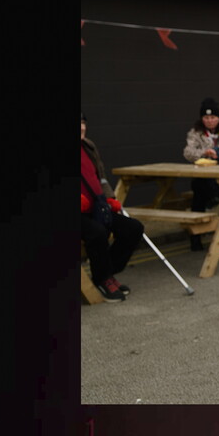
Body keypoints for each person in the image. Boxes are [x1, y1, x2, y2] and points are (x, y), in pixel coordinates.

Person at [81, 112, 144, 302]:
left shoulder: (88, 146)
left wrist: (109, 198)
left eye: (83, 122)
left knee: (133, 228)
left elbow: (100, 177)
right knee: (97, 233)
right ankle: (102, 278)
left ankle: (106, 273)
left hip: (96, 208)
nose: (82, 127)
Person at [183, 97, 219, 251]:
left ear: (218, 118)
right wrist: (204, 153)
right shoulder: (196, 133)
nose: (209, 121)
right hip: (203, 175)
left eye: (213, 117)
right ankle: (195, 240)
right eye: (206, 117)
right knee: (198, 195)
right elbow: (188, 152)